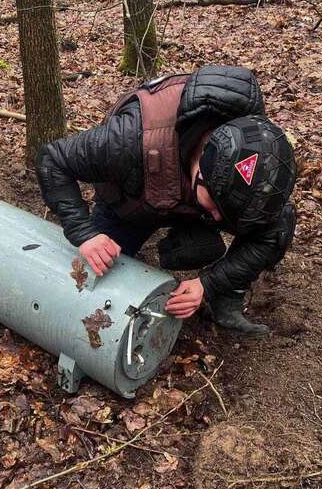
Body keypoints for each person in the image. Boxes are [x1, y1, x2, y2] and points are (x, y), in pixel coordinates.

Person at [35, 65, 297, 336]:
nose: (220, 218)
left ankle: (226, 299)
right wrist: (85, 234)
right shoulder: (129, 139)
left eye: (223, 211)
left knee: (274, 228)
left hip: (188, 202)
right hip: (135, 197)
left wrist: (207, 284)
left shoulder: (255, 148)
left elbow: (270, 232)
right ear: (201, 172)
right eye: (218, 207)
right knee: (94, 274)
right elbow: (53, 160)